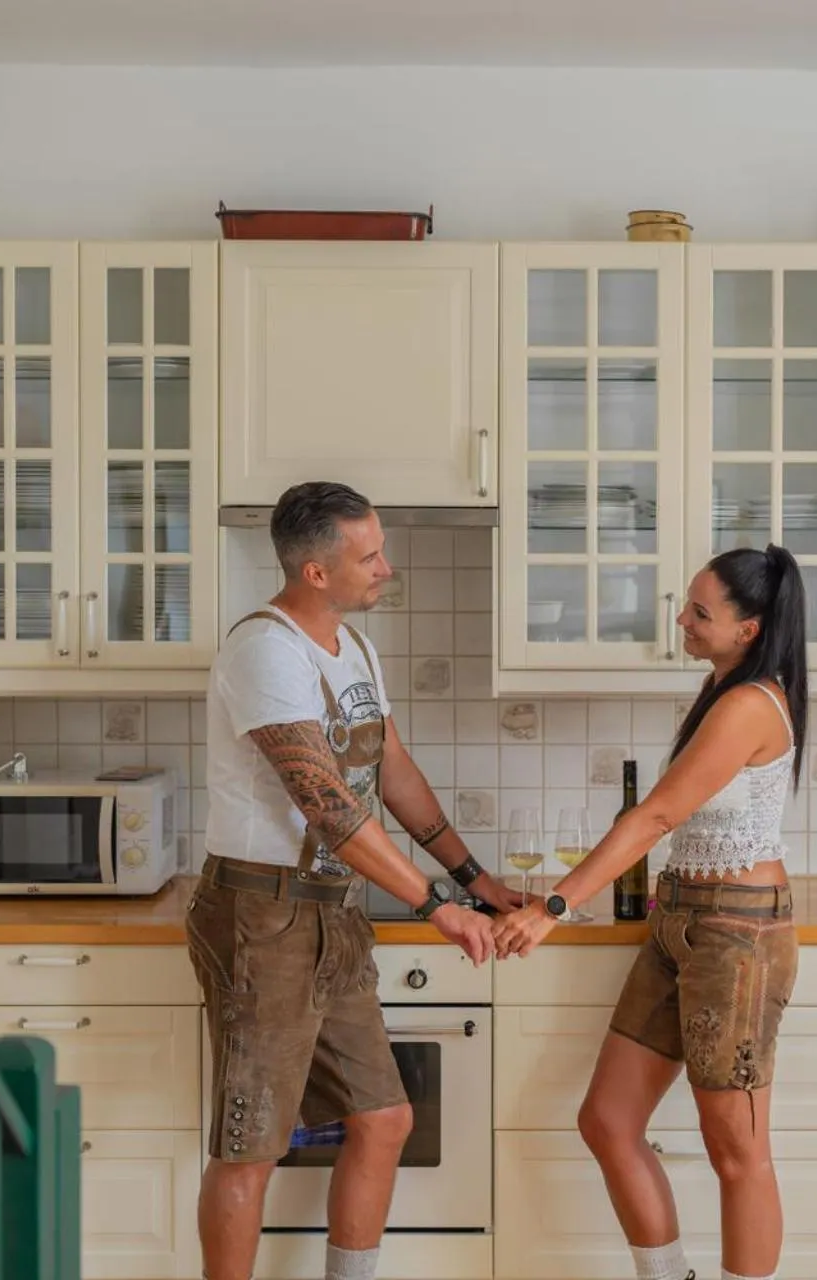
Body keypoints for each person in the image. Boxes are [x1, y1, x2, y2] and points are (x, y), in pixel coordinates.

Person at [190, 480, 522, 1280]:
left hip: (332, 916)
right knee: (252, 1146)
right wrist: (435, 907)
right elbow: (328, 804)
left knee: (384, 1117)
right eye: (369, 555)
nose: (386, 567)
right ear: (314, 571)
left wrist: (473, 877)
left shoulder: (354, 646)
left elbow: (390, 769)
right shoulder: (265, 649)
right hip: (259, 918)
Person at [493, 545, 809, 1280]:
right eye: (687, 604)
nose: (683, 621)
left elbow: (659, 814)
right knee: (606, 1121)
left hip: (738, 934)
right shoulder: (722, 691)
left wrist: (554, 906)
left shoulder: (747, 705)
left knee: (738, 1153)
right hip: (684, 921)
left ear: (750, 629)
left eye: (702, 612)